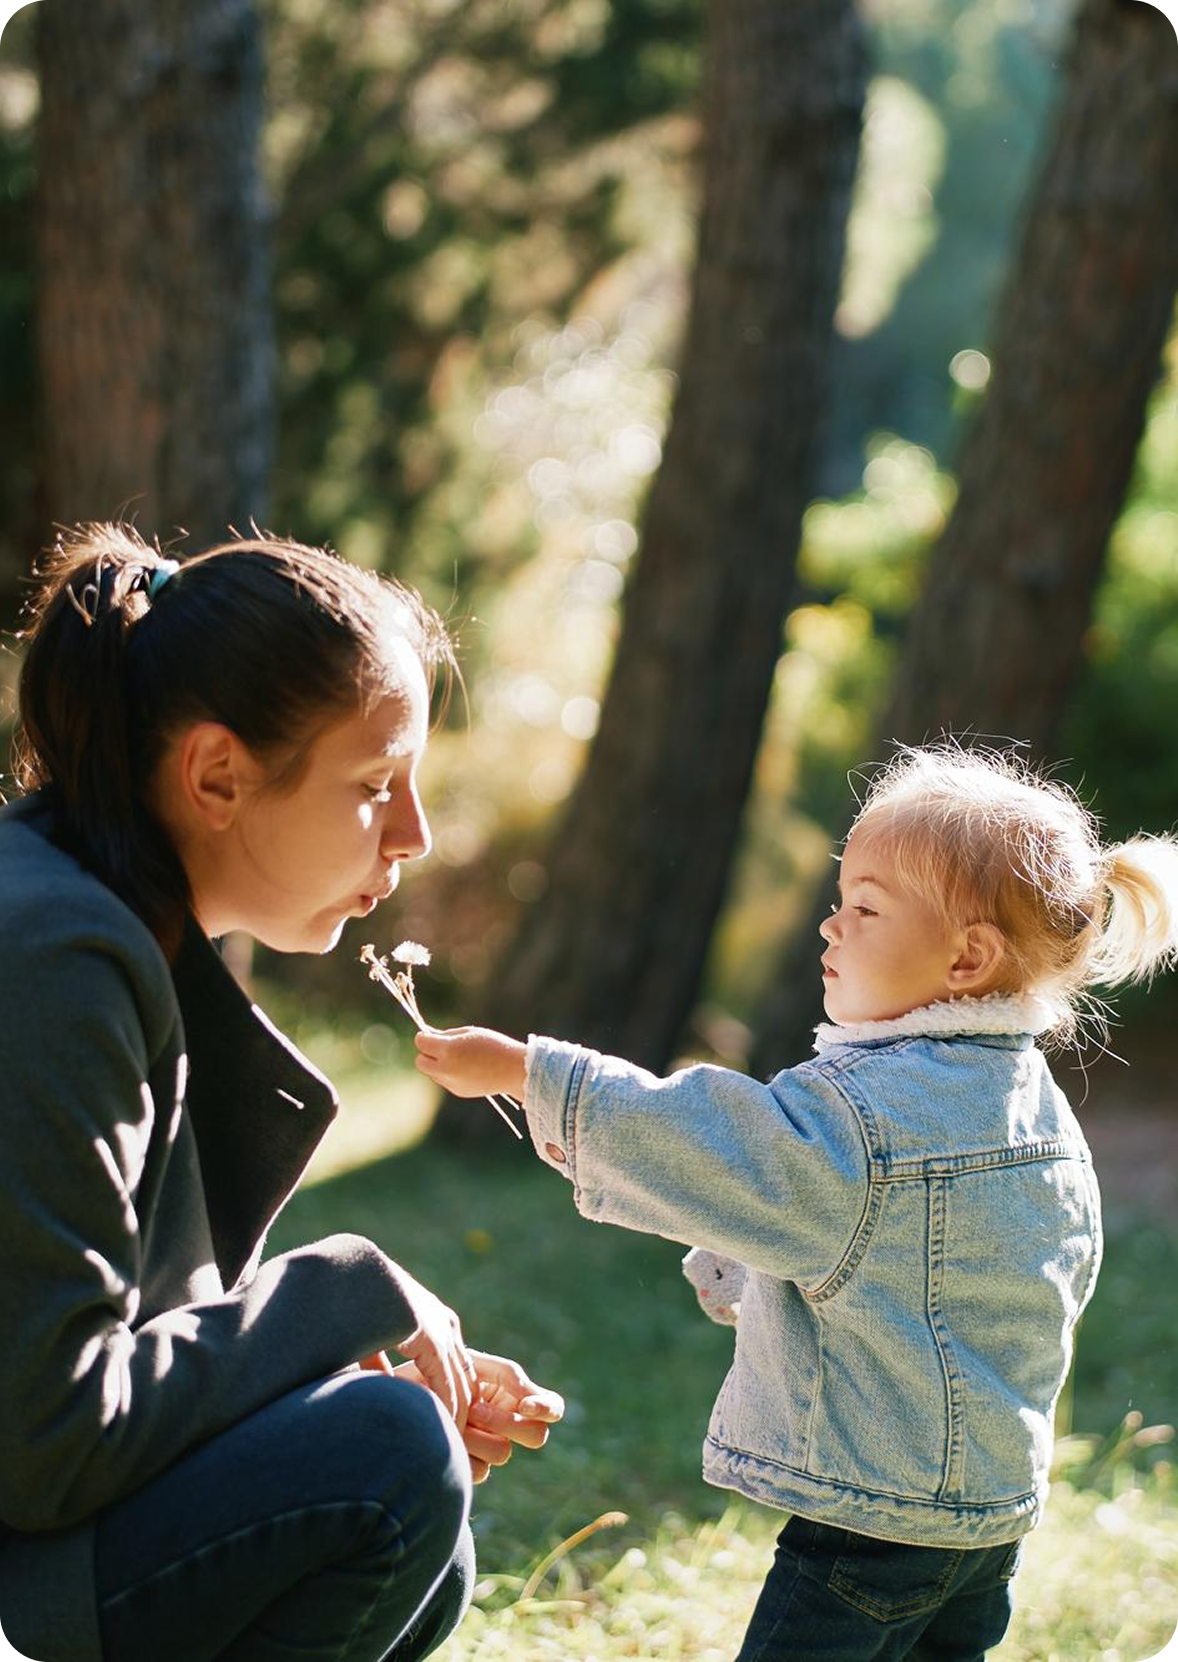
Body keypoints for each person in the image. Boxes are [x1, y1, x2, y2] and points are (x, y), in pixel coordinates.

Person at [415, 743, 1178, 1662]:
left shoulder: (866, 1116)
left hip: (870, 1525)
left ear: (968, 956)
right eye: (838, 899)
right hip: (990, 1524)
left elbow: (714, 1139)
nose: (830, 927)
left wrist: (532, 1074)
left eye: (866, 907)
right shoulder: (1038, 1112)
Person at [0, 523, 563, 1662]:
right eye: (373, 783)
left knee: (411, 1501)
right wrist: (348, 1289)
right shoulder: (52, 955)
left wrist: (299, 1374)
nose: (414, 833)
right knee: (384, 1462)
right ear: (217, 774)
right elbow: (49, 1440)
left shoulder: (96, 915)